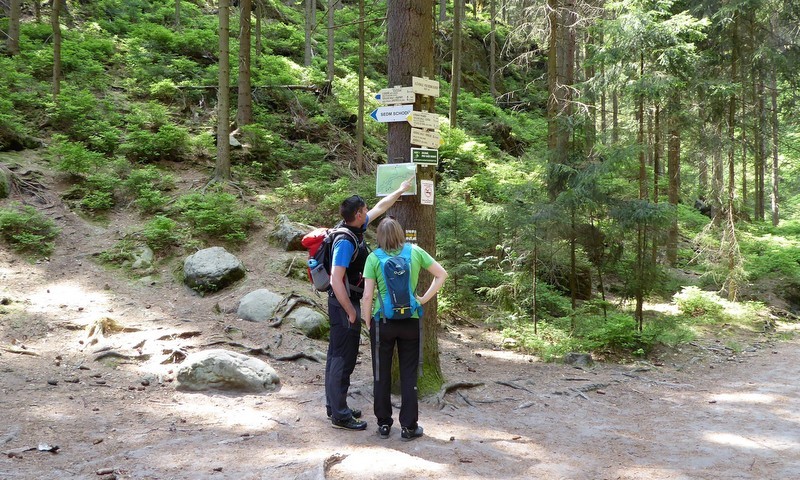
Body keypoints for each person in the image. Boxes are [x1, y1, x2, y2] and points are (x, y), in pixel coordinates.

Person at [326, 179, 412, 431]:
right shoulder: (345, 241)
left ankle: (335, 406)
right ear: (358, 214)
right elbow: (335, 278)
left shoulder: (354, 227)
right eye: (364, 209)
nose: (368, 212)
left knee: (336, 355)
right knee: (342, 358)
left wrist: (400, 190)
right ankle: (340, 415)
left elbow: (382, 206)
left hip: (346, 302)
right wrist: (351, 310)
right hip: (344, 304)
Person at [361, 217, 448, 441]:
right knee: (409, 374)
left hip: (383, 322)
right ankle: (409, 427)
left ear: (379, 236)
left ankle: (383, 424)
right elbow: (441, 274)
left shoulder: (373, 258)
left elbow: (368, 294)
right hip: (411, 319)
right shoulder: (415, 252)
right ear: (400, 233)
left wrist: (367, 320)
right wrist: (423, 299)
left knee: (381, 373)